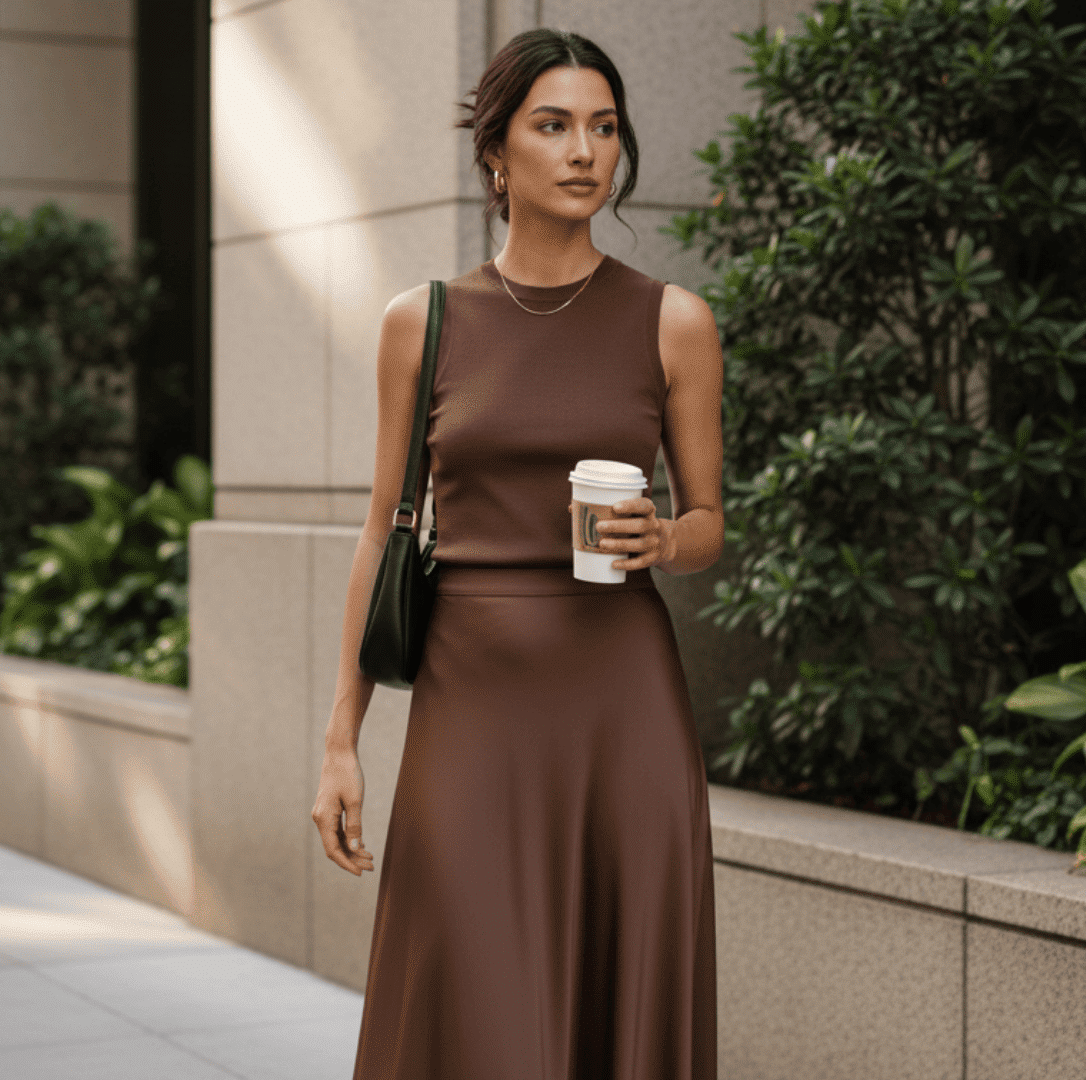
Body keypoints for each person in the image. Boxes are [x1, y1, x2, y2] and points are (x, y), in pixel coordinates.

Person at [311, 27, 726, 1080]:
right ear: (497, 154)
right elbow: (382, 530)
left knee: (610, 980)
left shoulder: (673, 321)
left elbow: (710, 521)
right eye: (554, 126)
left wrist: (663, 538)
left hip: (618, 700)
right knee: (473, 986)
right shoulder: (426, 322)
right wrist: (342, 736)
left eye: (604, 127)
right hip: (470, 698)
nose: (585, 151)